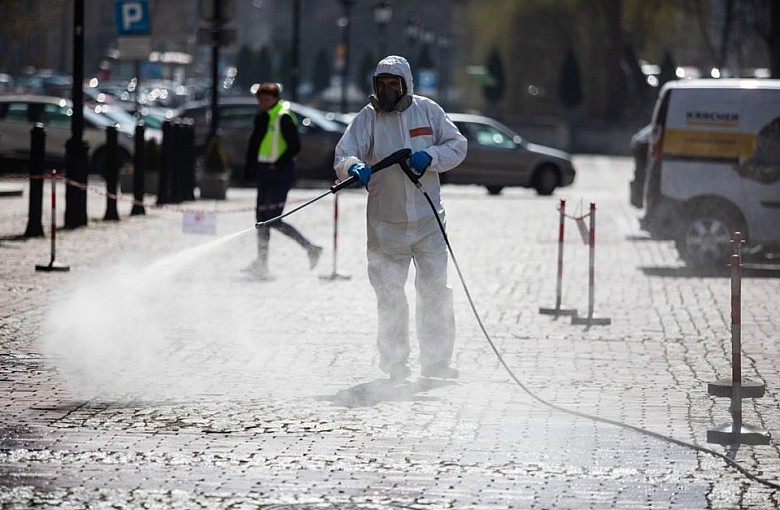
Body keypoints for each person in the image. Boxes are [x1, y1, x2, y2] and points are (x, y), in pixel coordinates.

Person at [333, 55, 467, 380]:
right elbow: (344, 151)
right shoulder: (368, 118)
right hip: (385, 226)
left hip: (428, 222)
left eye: (394, 83)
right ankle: (395, 363)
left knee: (435, 291)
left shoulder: (428, 111)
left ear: (406, 83)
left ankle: (436, 362)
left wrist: (431, 157)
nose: (388, 89)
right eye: (382, 84)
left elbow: (457, 145)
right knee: (390, 296)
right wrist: (353, 167)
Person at [244, 82, 322, 279]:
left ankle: (310, 248)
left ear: (275, 99)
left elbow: (295, 147)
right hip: (264, 173)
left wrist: (276, 166)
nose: (262, 103)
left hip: (279, 174)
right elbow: (255, 145)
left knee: (273, 219)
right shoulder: (263, 117)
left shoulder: (283, 117)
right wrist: (251, 170)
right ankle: (261, 264)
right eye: (260, 100)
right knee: (261, 221)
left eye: (266, 99)